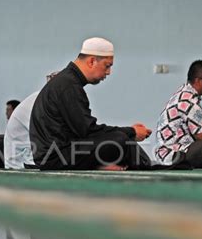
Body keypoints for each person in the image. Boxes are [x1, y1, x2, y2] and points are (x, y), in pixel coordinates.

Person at [29, 37, 152, 170]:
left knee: (121, 138)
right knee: (120, 140)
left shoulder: (67, 82)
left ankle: (105, 165)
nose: (109, 72)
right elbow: (88, 131)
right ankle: (140, 167)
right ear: (92, 61)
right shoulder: (68, 85)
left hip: (59, 153)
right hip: (56, 157)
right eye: (107, 66)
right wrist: (132, 132)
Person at [4, 71, 59, 169]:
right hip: (22, 166)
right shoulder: (39, 103)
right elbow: (51, 137)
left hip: (29, 162)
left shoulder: (46, 101)